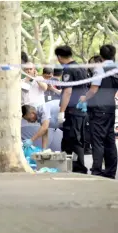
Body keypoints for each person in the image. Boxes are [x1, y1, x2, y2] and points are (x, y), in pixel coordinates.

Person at [79, 44, 117, 179]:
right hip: (111, 107)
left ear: (101, 55)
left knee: (98, 140)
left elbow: (94, 89)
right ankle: (111, 171)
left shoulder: (100, 69)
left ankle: (97, 170)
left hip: (98, 108)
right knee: (110, 140)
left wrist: (84, 98)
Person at [55, 45, 89, 174]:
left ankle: (79, 168)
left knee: (74, 139)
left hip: (72, 109)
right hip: (80, 109)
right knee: (68, 140)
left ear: (59, 57)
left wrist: (61, 111)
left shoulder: (68, 70)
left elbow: (67, 92)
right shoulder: (80, 67)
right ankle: (67, 166)